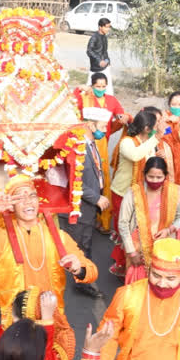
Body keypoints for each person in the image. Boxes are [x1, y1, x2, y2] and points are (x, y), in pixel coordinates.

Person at [0, 174, 98, 326]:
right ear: (11, 207)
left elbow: (91, 271)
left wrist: (79, 270)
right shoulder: (2, 238)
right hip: (15, 321)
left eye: (32, 196)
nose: (28, 201)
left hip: (51, 317)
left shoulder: (59, 238)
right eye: (20, 198)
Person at [73, 72, 131, 233]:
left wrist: (123, 117)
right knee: (85, 176)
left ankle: (104, 220)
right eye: (97, 86)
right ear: (92, 85)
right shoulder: (85, 97)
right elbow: (71, 105)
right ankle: (86, 215)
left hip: (102, 142)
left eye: (103, 86)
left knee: (102, 178)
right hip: (84, 139)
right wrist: (79, 90)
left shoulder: (111, 101)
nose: (100, 89)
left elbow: (121, 115)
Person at [59, 113, 109, 299]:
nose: (105, 130)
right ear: (90, 124)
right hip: (79, 208)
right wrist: (95, 197)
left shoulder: (90, 143)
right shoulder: (76, 147)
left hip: (88, 208)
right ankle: (82, 281)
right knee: (81, 247)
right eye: (103, 126)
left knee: (84, 243)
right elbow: (73, 179)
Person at [109, 110, 165, 277]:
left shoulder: (148, 142)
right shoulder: (127, 142)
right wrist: (156, 139)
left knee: (135, 230)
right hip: (122, 192)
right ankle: (121, 264)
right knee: (124, 229)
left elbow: (147, 164)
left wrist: (157, 156)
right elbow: (135, 156)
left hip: (138, 193)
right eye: (155, 127)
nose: (157, 130)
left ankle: (128, 264)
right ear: (147, 128)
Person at [118, 157, 180, 285]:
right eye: (151, 177)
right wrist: (131, 252)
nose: (155, 181)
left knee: (162, 283)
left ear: (165, 176)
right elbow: (123, 223)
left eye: (159, 177)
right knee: (138, 287)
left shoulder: (175, 193)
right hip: (138, 249)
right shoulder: (134, 193)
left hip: (164, 248)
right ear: (144, 174)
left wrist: (169, 230)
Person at [87, 18, 113, 95]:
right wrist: (99, 60)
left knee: (108, 88)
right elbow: (89, 51)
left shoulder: (104, 37)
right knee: (91, 87)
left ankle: (108, 104)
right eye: (106, 27)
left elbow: (104, 51)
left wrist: (108, 61)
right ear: (100, 27)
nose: (108, 29)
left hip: (105, 66)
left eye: (109, 27)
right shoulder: (94, 37)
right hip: (96, 68)